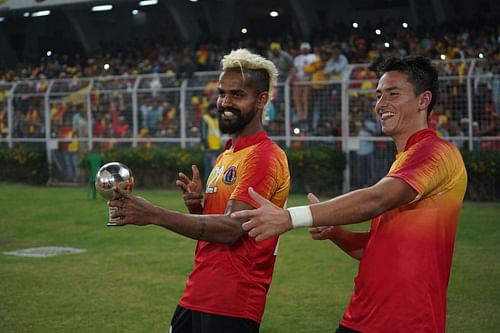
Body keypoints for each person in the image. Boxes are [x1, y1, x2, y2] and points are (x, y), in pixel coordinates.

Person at [232, 56, 467, 333]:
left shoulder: (435, 151)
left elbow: (377, 198)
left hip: (406, 322)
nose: (381, 104)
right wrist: (336, 232)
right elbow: (379, 248)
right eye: (379, 95)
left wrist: (290, 217)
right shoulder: (405, 159)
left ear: (423, 100)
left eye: (393, 93)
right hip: (363, 317)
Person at [109, 48, 290, 333]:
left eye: (237, 95)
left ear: (262, 100)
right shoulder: (228, 154)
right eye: (222, 93)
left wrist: (154, 214)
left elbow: (231, 229)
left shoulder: (264, 156)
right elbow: (221, 221)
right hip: (199, 292)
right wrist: (198, 206)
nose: (225, 102)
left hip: (232, 303)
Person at [200, 101, 223, 183]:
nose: (214, 111)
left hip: (217, 149)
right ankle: (206, 188)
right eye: (213, 110)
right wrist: (207, 149)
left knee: (216, 170)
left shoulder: (217, 120)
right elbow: (203, 136)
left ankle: (213, 188)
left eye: (215, 110)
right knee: (209, 170)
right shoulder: (205, 119)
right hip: (210, 150)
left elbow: (218, 135)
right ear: (209, 110)